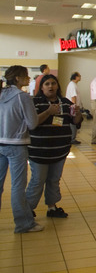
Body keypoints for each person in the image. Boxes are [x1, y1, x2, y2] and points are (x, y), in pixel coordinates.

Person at [27, 74, 82, 218]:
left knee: (54, 179)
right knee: (38, 180)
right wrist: (49, 112)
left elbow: (75, 122)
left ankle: (52, 207)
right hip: (39, 151)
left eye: (53, 83)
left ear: (57, 85)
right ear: (42, 87)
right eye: (47, 84)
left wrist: (77, 113)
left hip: (59, 150)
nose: (51, 86)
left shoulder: (65, 102)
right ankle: (27, 209)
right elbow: (33, 123)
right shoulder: (35, 102)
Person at [0, 66, 45, 233]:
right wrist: (47, 112)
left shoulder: (2, 94)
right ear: (17, 78)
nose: (28, 78)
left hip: (0, 143)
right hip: (16, 144)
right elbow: (32, 123)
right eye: (25, 76)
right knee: (17, 187)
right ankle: (23, 223)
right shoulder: (22, 96)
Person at [65, 72, 82, 144]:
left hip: (74, 106)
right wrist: (74, 107)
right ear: (76, 77)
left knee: (75, 122)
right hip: (73, 107)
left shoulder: (73, 84)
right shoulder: (72, 85)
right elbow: (73, 97)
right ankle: (72, 138)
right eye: (79, 76)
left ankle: (73, 137)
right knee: (74, 123)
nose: (80, 77)